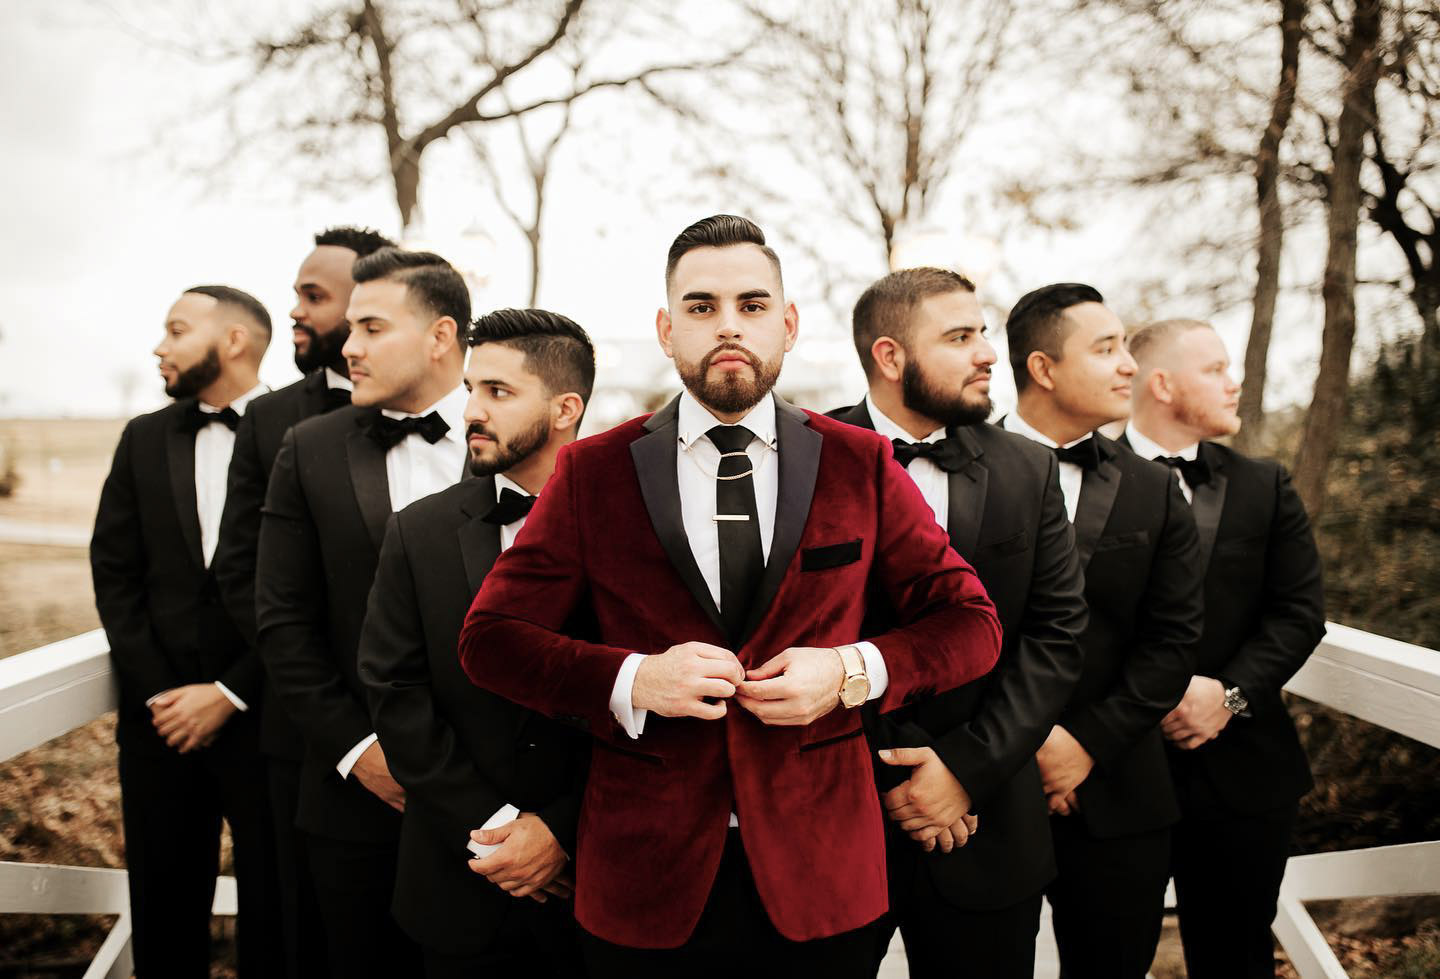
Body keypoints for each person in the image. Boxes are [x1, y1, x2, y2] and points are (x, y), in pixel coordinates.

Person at [457, 214, 1002, 978]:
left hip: (823, 879)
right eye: (701, 307)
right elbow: (490, 638)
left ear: (787, 323)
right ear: (666, 327)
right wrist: (635, 680)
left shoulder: (862, 463)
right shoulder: (593, 471)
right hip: (643, 880)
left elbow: (970, 622)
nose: (727, 328)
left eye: (750, 305)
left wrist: (848, 672)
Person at [831, 266, 1087, 977]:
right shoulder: (807, 458)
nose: (986, 353)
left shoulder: (1028, 470)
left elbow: (1057, 637)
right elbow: (794, 634)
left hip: (992, 823)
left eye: (984, 333)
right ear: (890, 356)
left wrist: (963, 768)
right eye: (961, 336)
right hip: (839, 819)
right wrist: (898, 771)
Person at [356, 308, 595, 977]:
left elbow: (653, 702)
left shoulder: (638, 529)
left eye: (497, 391)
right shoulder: (417, 532)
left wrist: (559, 829)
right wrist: (495, 826)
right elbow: (394, 694)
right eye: (469, 388)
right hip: (457, 881)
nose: (470, 410)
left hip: (601, 883)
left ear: (565, 408)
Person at [255, 247, 470, 978]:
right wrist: (358, 751)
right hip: (353, 798)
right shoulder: (306, 449)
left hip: (496, 798)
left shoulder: (521, 434)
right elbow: (283, 621)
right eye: (350, 328)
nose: (349, 348)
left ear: (440, 336)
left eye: (372, 327)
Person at [1000, 282, 1204, 977]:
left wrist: (1084, 743)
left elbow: (1173, 641)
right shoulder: (958, 470)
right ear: (1044, 368)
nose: (1130, 366)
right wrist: (1021, 743)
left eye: (1128, 347)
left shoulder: (1154, 489)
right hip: (986, 789)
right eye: (1107, 348)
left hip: (1122, 793)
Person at [211, 224, 393, 978]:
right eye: (297, 293)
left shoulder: (470, 413)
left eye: (313, 296)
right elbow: (241, 575)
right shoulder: (271, 419)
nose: (296, 310)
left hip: (449, 742)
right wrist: (327, 706)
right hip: (305, 738)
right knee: (298, 940)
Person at [1126, 318, 1326, 978]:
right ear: (1161, 383)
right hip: (1118, 770)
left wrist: (1229, 693)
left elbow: (1299, 613)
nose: (1232, 382)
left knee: (1237, 959)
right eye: (1214, 369)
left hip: (1245, 774)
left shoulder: (1264, 485)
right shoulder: (1075, 481)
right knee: (1106, 955)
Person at [91, 285, 282, 975]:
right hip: (159, 724)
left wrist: (231, 690)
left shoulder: (303, 433)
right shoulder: (142, 437)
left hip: (269, 719)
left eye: (175, 330)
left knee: (280, 918)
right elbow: (113, 570)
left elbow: (314, 589)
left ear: (233, 341)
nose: (159, 346)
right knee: (165, 919)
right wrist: (165, 695)